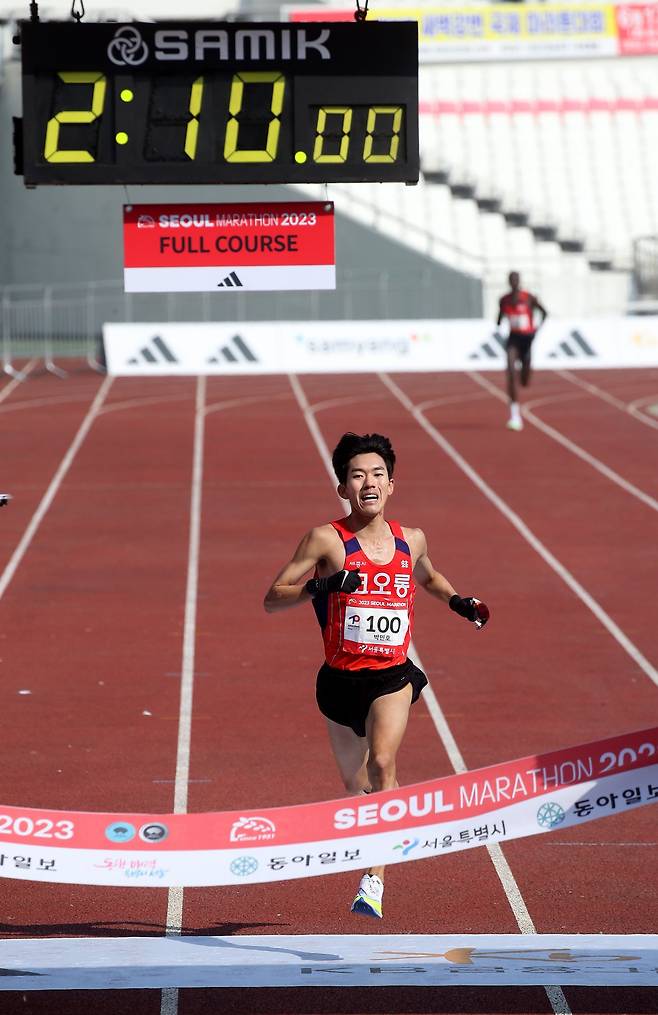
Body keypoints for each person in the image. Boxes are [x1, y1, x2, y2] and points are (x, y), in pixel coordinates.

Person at [263, 432, 489, 919]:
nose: (369, 482)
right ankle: (374, 835)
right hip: (340, 681)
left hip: (392, 677)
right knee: (357, 785)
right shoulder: (326, 539)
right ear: (343, 488)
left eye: (378, 474)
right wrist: (321, 586)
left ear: (392, 486)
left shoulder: (413, 539)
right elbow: (273, 595)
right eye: (358, 475)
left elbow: (426, 576)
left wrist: (458, 602)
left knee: (384, 762)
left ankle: (374, 879)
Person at [497, 271, 548, 431]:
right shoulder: (503, 300)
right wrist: (501, 320)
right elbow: (499, 319)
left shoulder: (528, 298)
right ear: (508, 282)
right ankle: (514, 415)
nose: (513, 282)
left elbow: (544, 312)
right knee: (511, 373)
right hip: (513, 339)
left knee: (524, 380)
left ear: (519, 281)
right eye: (511, 280)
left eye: (515, 280)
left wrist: (536, 329)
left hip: (527, 339)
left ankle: (524, 375)